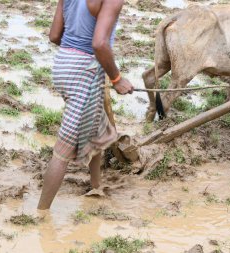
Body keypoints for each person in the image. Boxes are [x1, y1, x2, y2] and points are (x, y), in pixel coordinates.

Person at [38, 0, 134, 210]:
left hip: (63, 64)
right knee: (62, 151)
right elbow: (99, 43)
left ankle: (96, 185)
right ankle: (41, 214)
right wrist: (117, 79)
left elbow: (54, 36)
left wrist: (74, 50)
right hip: (85, 73)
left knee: (97, 123)